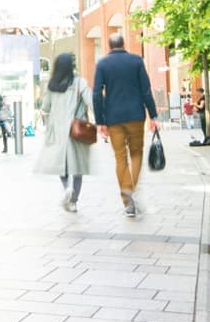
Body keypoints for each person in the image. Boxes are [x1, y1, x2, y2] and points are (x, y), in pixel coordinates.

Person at [93, 33, 159, 218]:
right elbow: (146, 89)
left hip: (113, 118)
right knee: (136, 153)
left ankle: (127, 199)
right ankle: (132, 189)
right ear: (124, 44)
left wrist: (100, 121)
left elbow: (97, 93)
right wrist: (153, 115)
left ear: (109, 46)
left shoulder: (103, 64)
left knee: (120, 157)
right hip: (136, 115)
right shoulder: (136, 61)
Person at [35, 53, 94, 213]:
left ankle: (66, 188)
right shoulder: (80, 83)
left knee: (61, 165)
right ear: (71, 66)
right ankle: (74, 200)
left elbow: (46, 108)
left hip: (57, 131)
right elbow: (91, 102)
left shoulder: (51, 85)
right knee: (78, 168)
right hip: (77, 130)